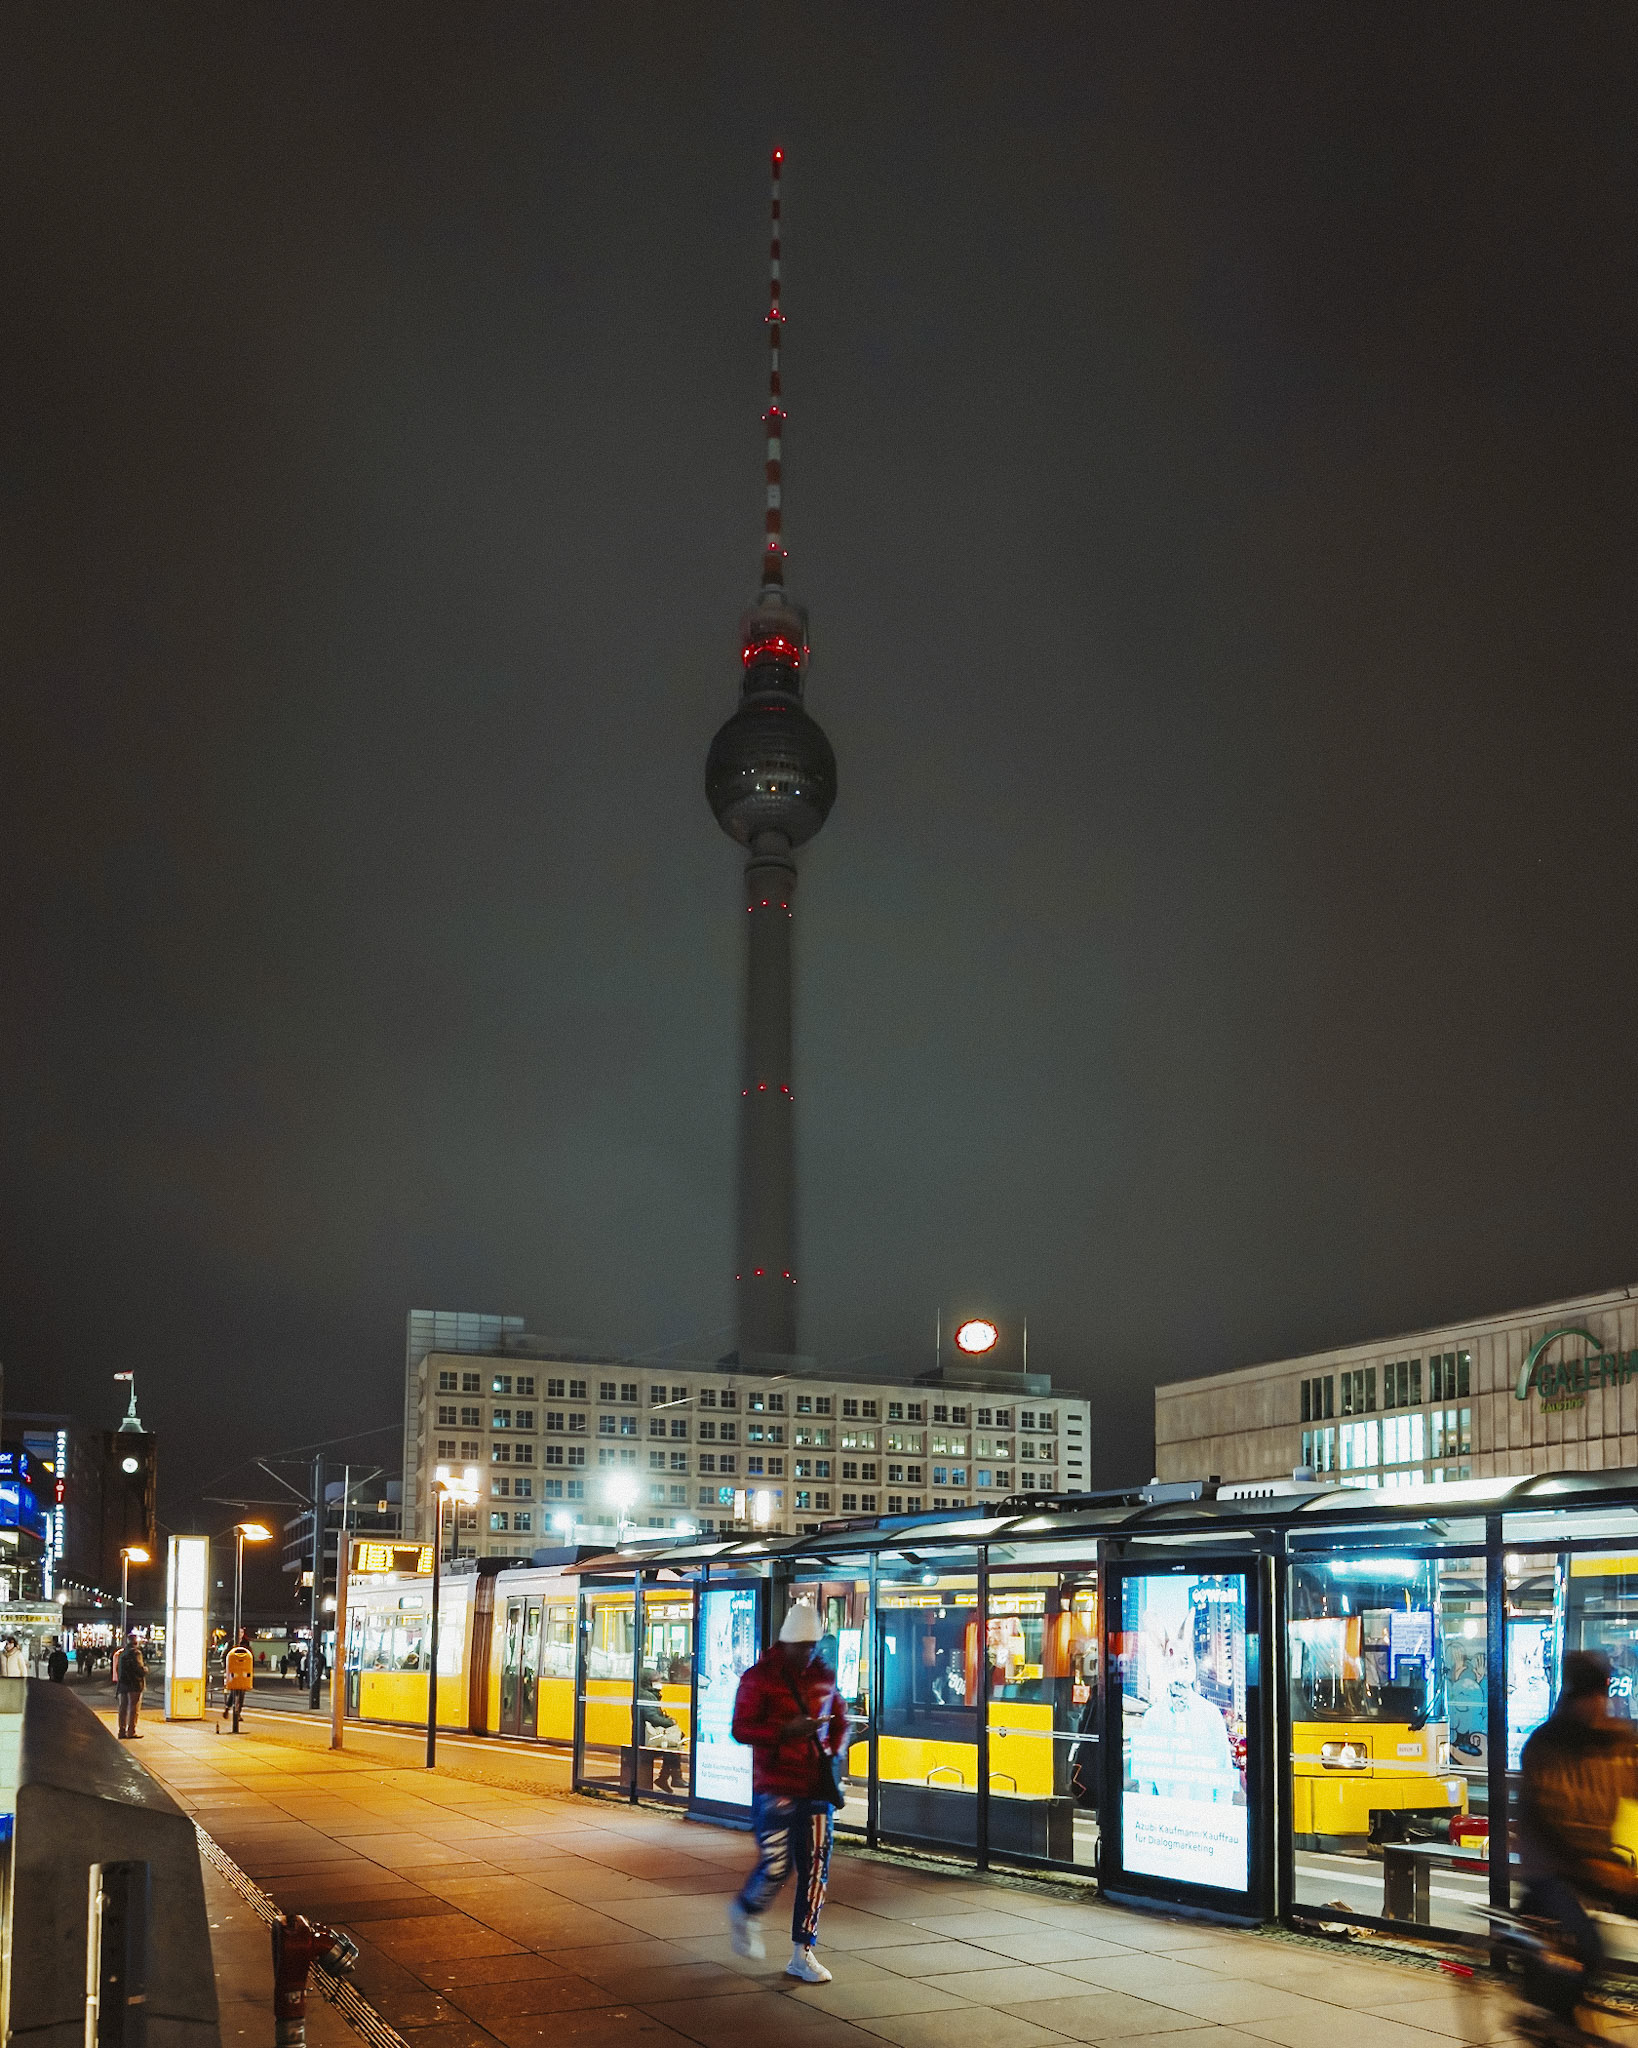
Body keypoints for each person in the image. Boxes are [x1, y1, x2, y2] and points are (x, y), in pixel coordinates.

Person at [726, 1602, 848, 1984]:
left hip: (813, 1785)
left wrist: (833, 1745)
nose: (809, 1652)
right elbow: (741, 1729)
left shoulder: (823, 1677)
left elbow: (840, 1718)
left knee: (815, 1871)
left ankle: (803, 1951)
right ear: (787, 1642)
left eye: (813, 1645)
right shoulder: (759, 1678)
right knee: (778, 1866)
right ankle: (746, 1910)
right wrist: (785, 1733)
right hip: (776, 1784)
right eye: (803, 1645)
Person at [1517, 1649, 1638, 2015]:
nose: (1597, 1705)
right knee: (1588, 1946)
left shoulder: (1618, 1742)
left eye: (1601, 1695)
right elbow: (1546, 1824)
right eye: (1588, 1697)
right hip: (1551, 1870)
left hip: (1603, 1864)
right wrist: (1596, 1868)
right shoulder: (1545, 1744)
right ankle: (1562, 2020)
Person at [638, 1669, 683, 1793]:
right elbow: (652, 1717)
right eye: (656, 1680)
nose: (660, 1682)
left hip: (643, 1735)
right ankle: (673, 1777)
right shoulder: (647, 1695)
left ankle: (669, 1778)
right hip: (645, 1738)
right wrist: (670, 1722)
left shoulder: (647, 1693)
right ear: (649, 1681)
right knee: (673, 1745)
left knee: (673, 1744)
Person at [115, 1631, 147, 1738]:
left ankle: (121, 1731)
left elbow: (117, 1669)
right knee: (133, 1708)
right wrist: (145, 1670)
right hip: (134, 1685)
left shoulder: (122, 1653)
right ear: (135, 1642)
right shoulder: (136, 1653)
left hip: (123, 1684)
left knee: (122, 1708)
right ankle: (131, 1731)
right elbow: (139, 1669)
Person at [225, 1628, 255, 1733]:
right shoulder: (230, 1643)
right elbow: (224, 1655)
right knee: (234, 1690)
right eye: (238, 1632)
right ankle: (229, 1708)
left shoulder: (246, 1643)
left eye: (242, 1632)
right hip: (233, 1671)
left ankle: (237, 1713)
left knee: (241, 1692)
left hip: (242, 1671)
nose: (240, 1634)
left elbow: (251, 1656)